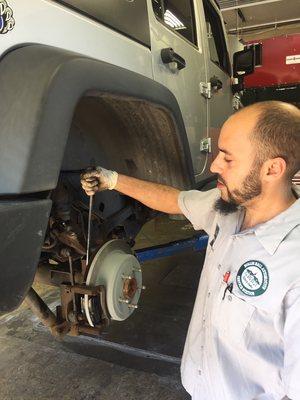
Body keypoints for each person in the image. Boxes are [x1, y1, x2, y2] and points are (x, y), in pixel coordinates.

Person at [81, 101, 300, 400]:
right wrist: (114, 180)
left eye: (228, 158)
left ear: (272, 168)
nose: (214, 166)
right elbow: (176, 200)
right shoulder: (228, 209)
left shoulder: (293, 262)